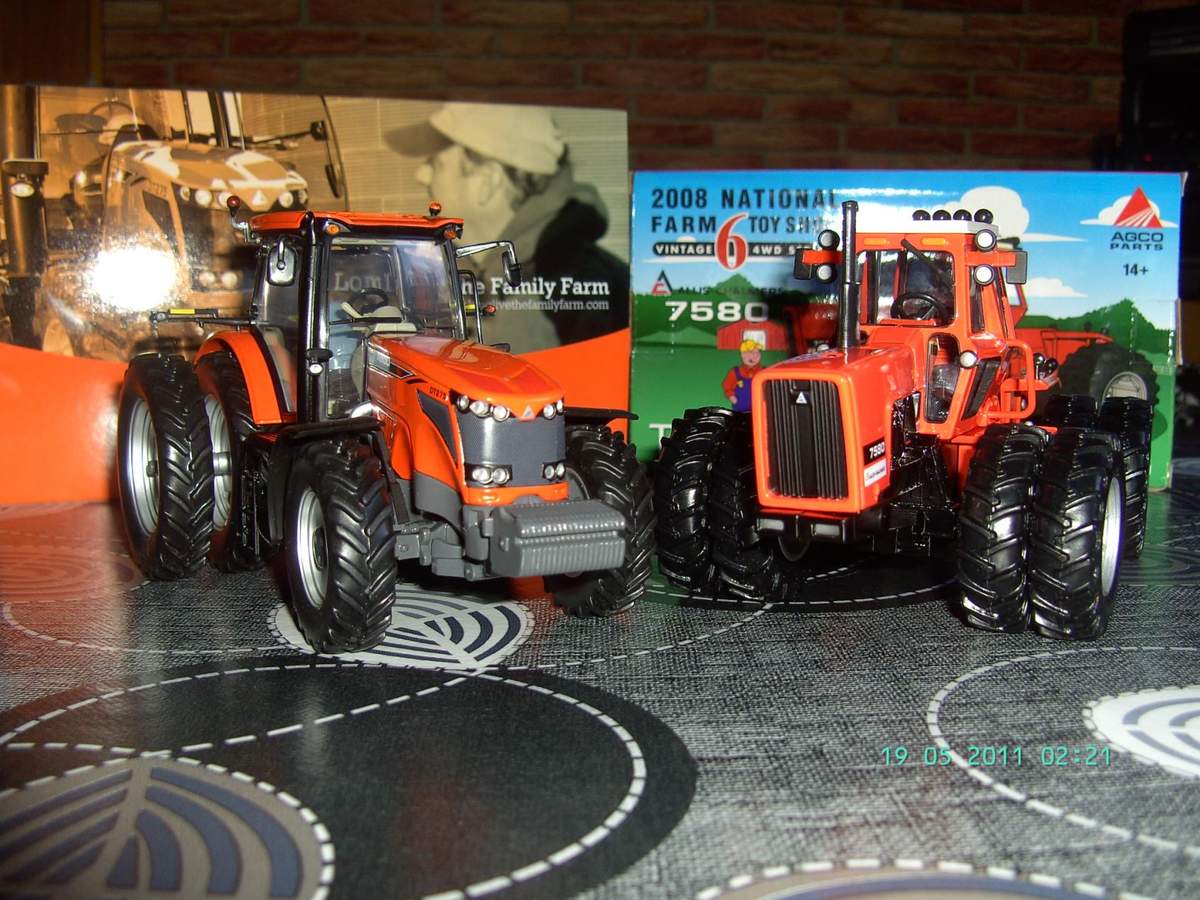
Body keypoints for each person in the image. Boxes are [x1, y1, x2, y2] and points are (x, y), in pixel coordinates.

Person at [397, 102, 628, 351]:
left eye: (436, 164)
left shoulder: (597, 296)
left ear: (487, 183)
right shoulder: (439, 274)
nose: (421, 176)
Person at [723, 339, 763, 413]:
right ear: (742, 355)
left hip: (759, 410)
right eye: (750, 353)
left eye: (757, 353)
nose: (754, 356)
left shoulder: (763, 371)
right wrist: (733, 398)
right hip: (740, 410)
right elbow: (727, 386)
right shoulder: (735, 372)